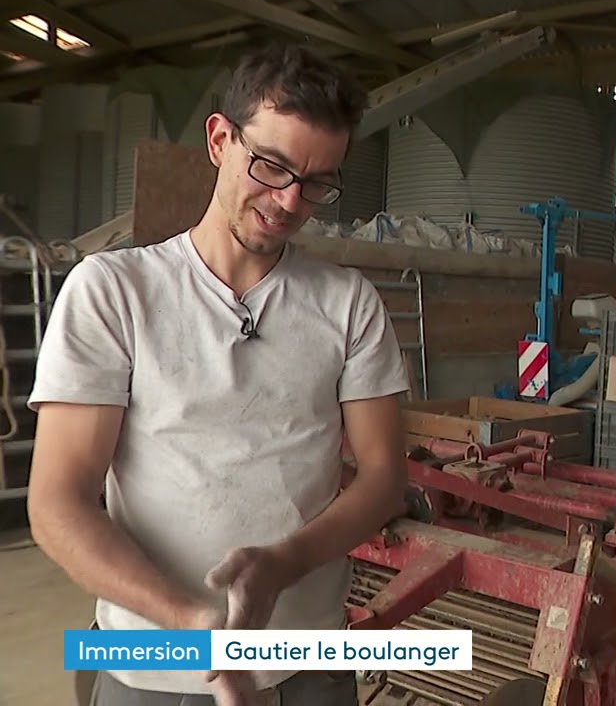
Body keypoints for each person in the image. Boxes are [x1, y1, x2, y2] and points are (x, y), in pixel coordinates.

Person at [27, 41, 410, 706]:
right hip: (152, 665)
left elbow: (383, 478)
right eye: (271, 166)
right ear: (219, 140)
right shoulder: (113, 292)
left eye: (316, 183)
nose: (289, 200)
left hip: (307, 661)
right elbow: (58, 504)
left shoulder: (348, 304)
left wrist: (284, 564)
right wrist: (192, 623)